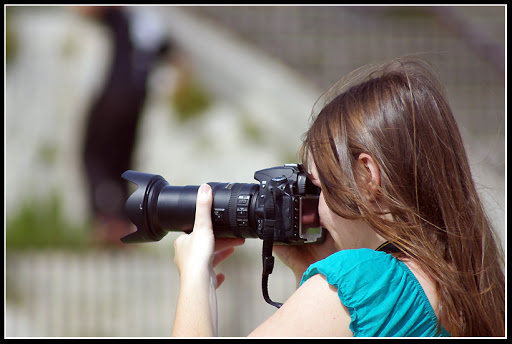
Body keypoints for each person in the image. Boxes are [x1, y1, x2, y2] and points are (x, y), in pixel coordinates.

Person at [170, 55, 505, 337]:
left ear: (367, 176)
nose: (313, 207)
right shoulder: (471, 284)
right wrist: (313, 276)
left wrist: (195, 277)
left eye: (319, 186)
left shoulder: (366, 282)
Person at [75, 6, 176, 245]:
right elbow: (176, 57)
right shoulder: (157, 26)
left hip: (113, 97)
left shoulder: (127, 17)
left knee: (92, 155)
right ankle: (122, 217)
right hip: (137, 101)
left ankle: (107, 217)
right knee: (123, 162)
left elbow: (87, 10)